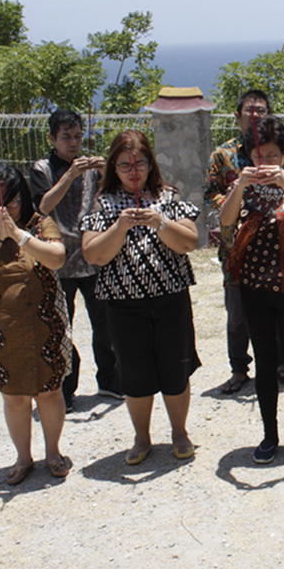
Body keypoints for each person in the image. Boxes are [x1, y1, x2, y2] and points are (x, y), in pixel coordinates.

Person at [81, 130, 200, 465]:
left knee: (175, 369)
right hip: (123, 305)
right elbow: (93, 254)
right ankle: (142, 437)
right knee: (134, 373)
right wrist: (119, 228)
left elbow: (189, 242)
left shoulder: (168, 197)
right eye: (125, 166)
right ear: (113, 167)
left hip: (170, 299)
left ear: (150, 163)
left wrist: (161, 223)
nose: (134, 172)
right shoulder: (103, 203)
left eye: (140, 164)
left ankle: (179, 432)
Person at [220, 116, 284, 464]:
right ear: (249, 156)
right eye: (258, 156)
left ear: (283, 154)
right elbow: (226, 220)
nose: (266, 163)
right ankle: (269, 435)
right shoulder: (243, 187)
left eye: (273, 155)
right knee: (264, 362)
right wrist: (240, 184)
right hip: (253, 287)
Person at [0, 166, 71, 485]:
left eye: (11, 201)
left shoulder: (40, 224)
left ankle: (53, 453)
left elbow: (56, 257)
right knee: (14, 396)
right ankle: (24, 457)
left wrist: (20, 235)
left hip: (44, 325)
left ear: (23, 197)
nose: (4, 208)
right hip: (4, 331)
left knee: (49, 391)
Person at [205, 89, 284, 394]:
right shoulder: (223, 155)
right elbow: (211, 194)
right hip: (237, 248)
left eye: (261, 111)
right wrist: (237, 202)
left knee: (278, 310)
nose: (255, 115)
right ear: (238, 115)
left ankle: (281, 363)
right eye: (249, 110)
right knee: (237, 315)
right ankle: (238, 368)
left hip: (277, 246)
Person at [30, 108, 121, 412]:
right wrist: (70, 175)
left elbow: (110, 196)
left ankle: (110, 380)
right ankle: (65, 389)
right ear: (52, 139)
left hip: (92, 256)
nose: (73, 143)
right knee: (60, 327)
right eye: (66, 137)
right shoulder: (42, 169)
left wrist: (107, 171)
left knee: (105, 324)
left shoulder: (92, 169)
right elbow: (43, 207)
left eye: (78, 136)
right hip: (57, 259)